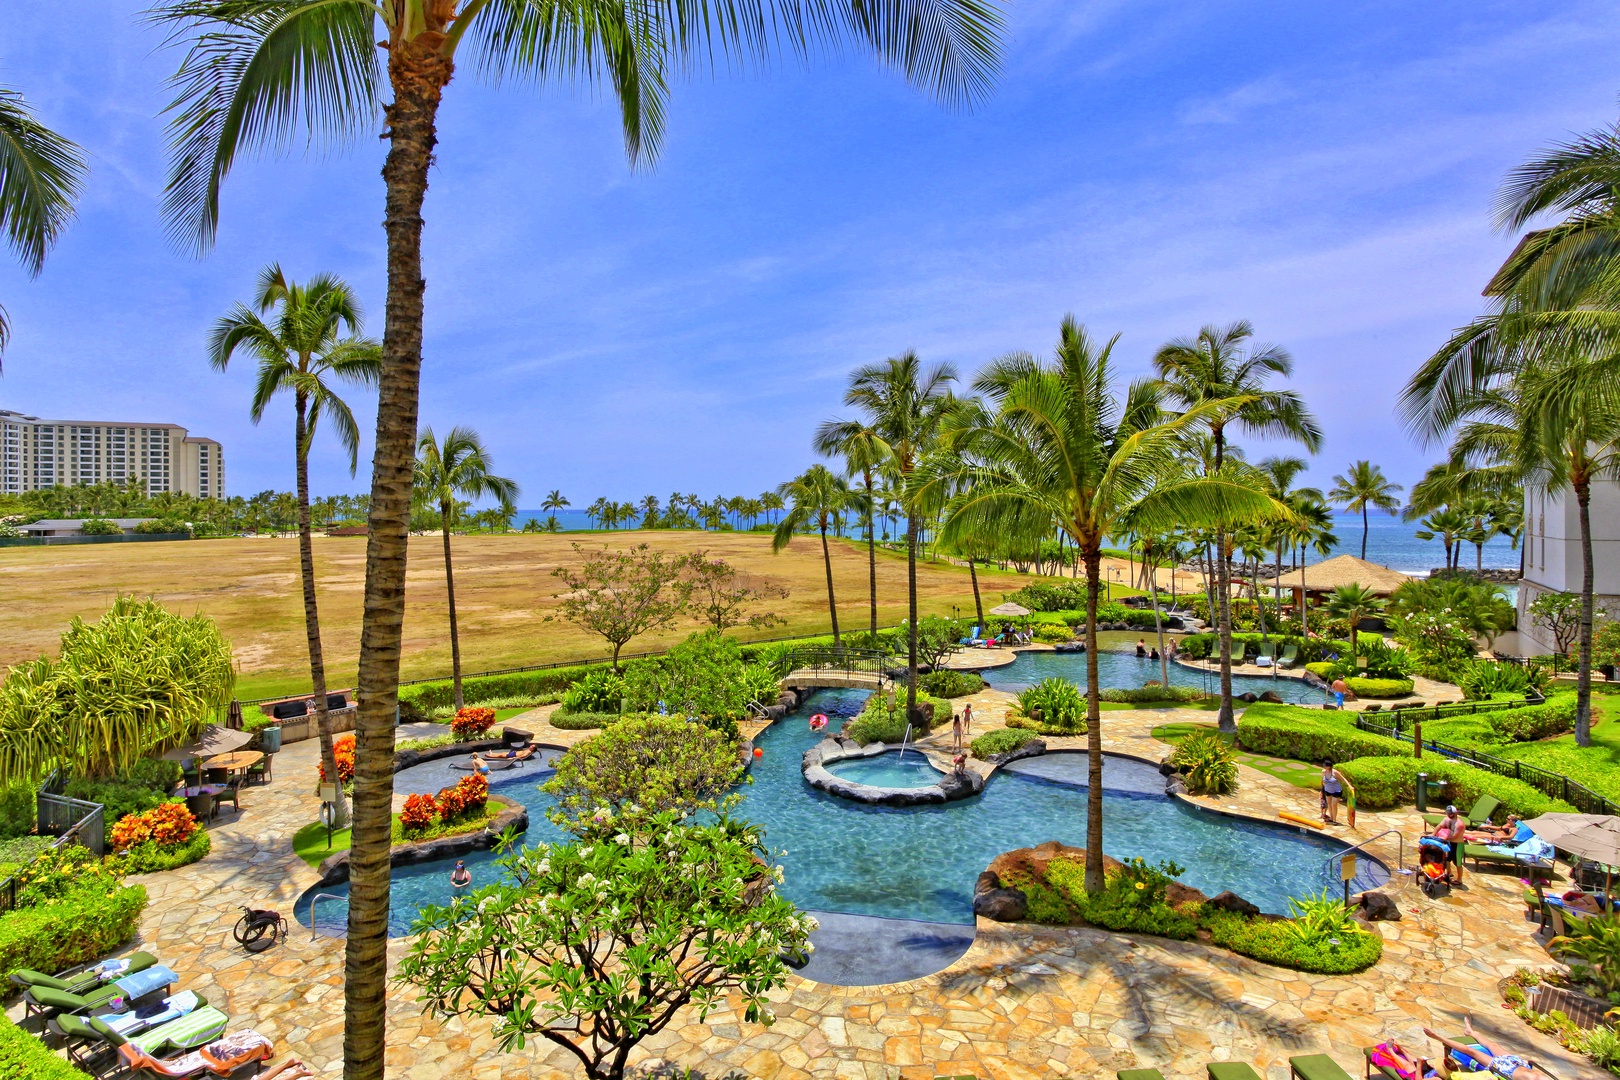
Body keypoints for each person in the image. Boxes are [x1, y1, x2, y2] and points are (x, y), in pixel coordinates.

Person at [1422, 1016, 1549, 1079]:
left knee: (1471, 1051)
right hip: (1517, 1063)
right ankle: (1471, 1032)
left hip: (1503, 1069)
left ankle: (1437, 1037)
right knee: (1494, 1045)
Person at [1434, 806, 1467, 885]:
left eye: (1451, 814)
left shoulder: (1459, 824)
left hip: (1458, 844)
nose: (1449, 815)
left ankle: (1459, 879)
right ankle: (1449, 873)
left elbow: (1454, 836)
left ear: (1456, 813)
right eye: (1448, 813)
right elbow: (1439, 826)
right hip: (1450, 843)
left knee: (1457, 862)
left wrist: (1444, 838)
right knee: (1447, 859)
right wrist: (1433, 834)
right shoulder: (1447, 819)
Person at [1320, 758, 1352, 825]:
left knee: (1334, 804)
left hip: (1336, 790)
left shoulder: (1335, 772)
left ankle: (1334, 820)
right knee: (1329, 804)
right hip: (1328, 790)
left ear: (1328, 766)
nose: (1323, 766)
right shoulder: (1323, 772)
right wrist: (1322, 790)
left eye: (1325, 765)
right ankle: (1331, 818)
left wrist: (1349, 786)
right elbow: (1322, 781)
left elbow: (1343, 779)